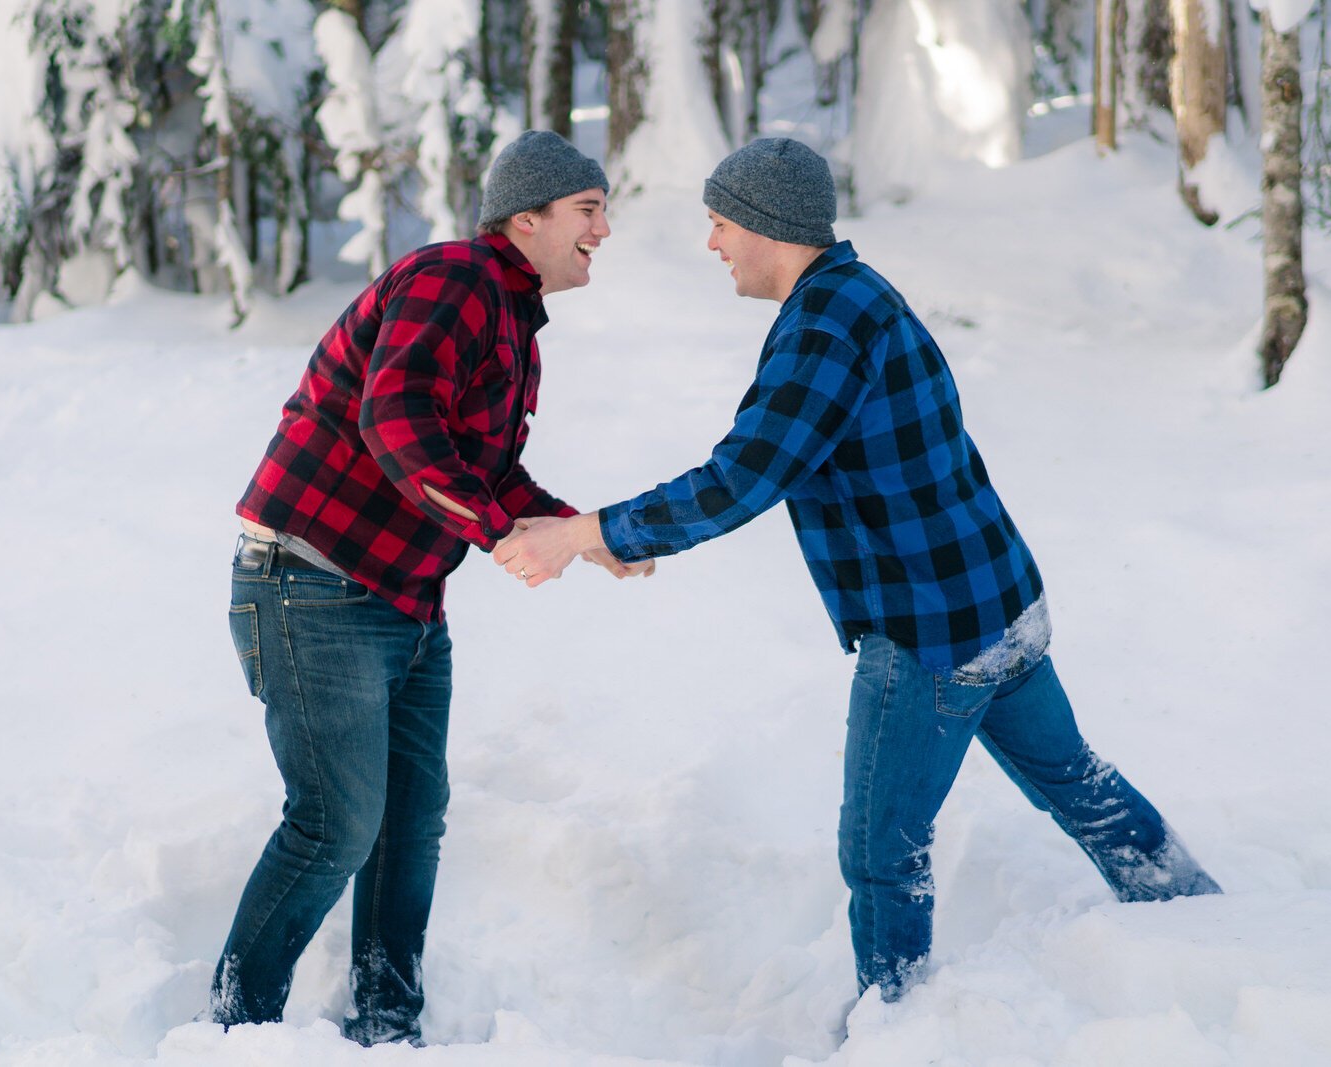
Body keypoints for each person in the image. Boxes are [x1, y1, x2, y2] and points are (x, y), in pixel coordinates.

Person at [492, 137, 1220, 1002]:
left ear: (768, 226)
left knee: (881, 847)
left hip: (931, 632)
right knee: (1075, 779)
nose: (713, 244)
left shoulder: (824, 328)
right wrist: (616, 539)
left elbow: (744, 476)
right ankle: (1198, 918)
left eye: (720, 223)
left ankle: (895, 1019)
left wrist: (588, 533)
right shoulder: (856, 296)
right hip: (998, 602)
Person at [213, 130, 645, 1046]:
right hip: (310, 582)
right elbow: (393, 415)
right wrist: (497, 536)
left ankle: (387, 1020)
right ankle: (231, 1030)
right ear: (524, 219)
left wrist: (583, 533)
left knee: (411, 820)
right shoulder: (455, 277)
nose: (604, 229)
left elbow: (481, 466)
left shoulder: (511, 319)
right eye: (588, 209)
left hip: (402, 602)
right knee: (335, 822)